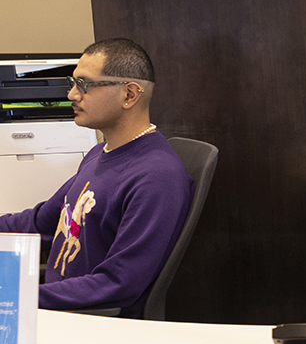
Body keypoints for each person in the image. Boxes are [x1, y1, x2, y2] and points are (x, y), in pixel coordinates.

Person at [0, 38, 193, 317]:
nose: (72, 95)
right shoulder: (99, 153)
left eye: (85, 85)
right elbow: (40, 222)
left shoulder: (157, 177)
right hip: (55, 311)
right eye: (74, 83)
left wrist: (17, 296)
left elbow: (118, 283)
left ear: (129, 95)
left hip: (92, 325)